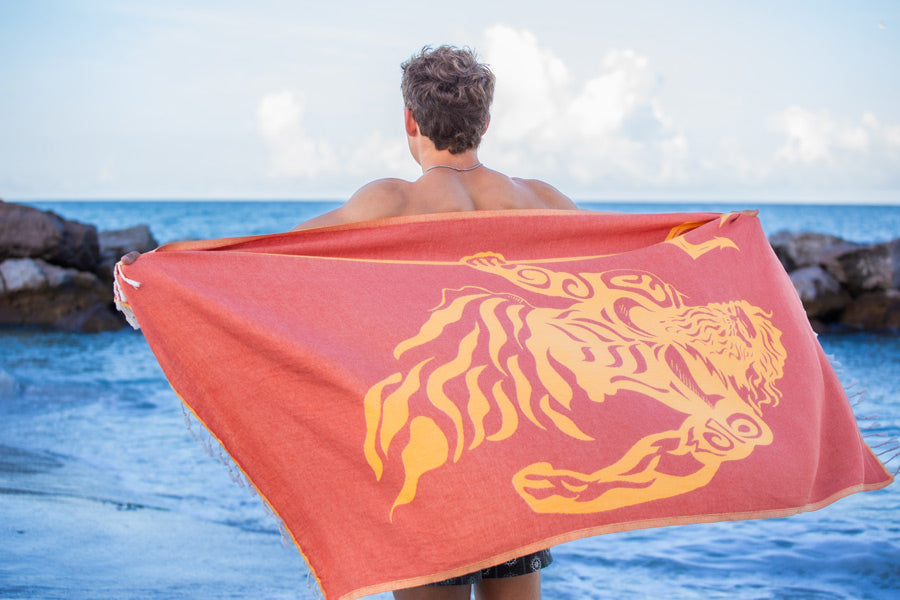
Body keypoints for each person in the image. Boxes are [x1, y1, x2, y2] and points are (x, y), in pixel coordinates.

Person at [123, 45, 576, 600]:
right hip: (512, 440)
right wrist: (709, 234)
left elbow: (267, 259)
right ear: (486, 121)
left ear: (410, 120)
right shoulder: (542, 202)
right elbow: (634, 262)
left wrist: (162, 271)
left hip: (434, 438)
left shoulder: (389, 202)